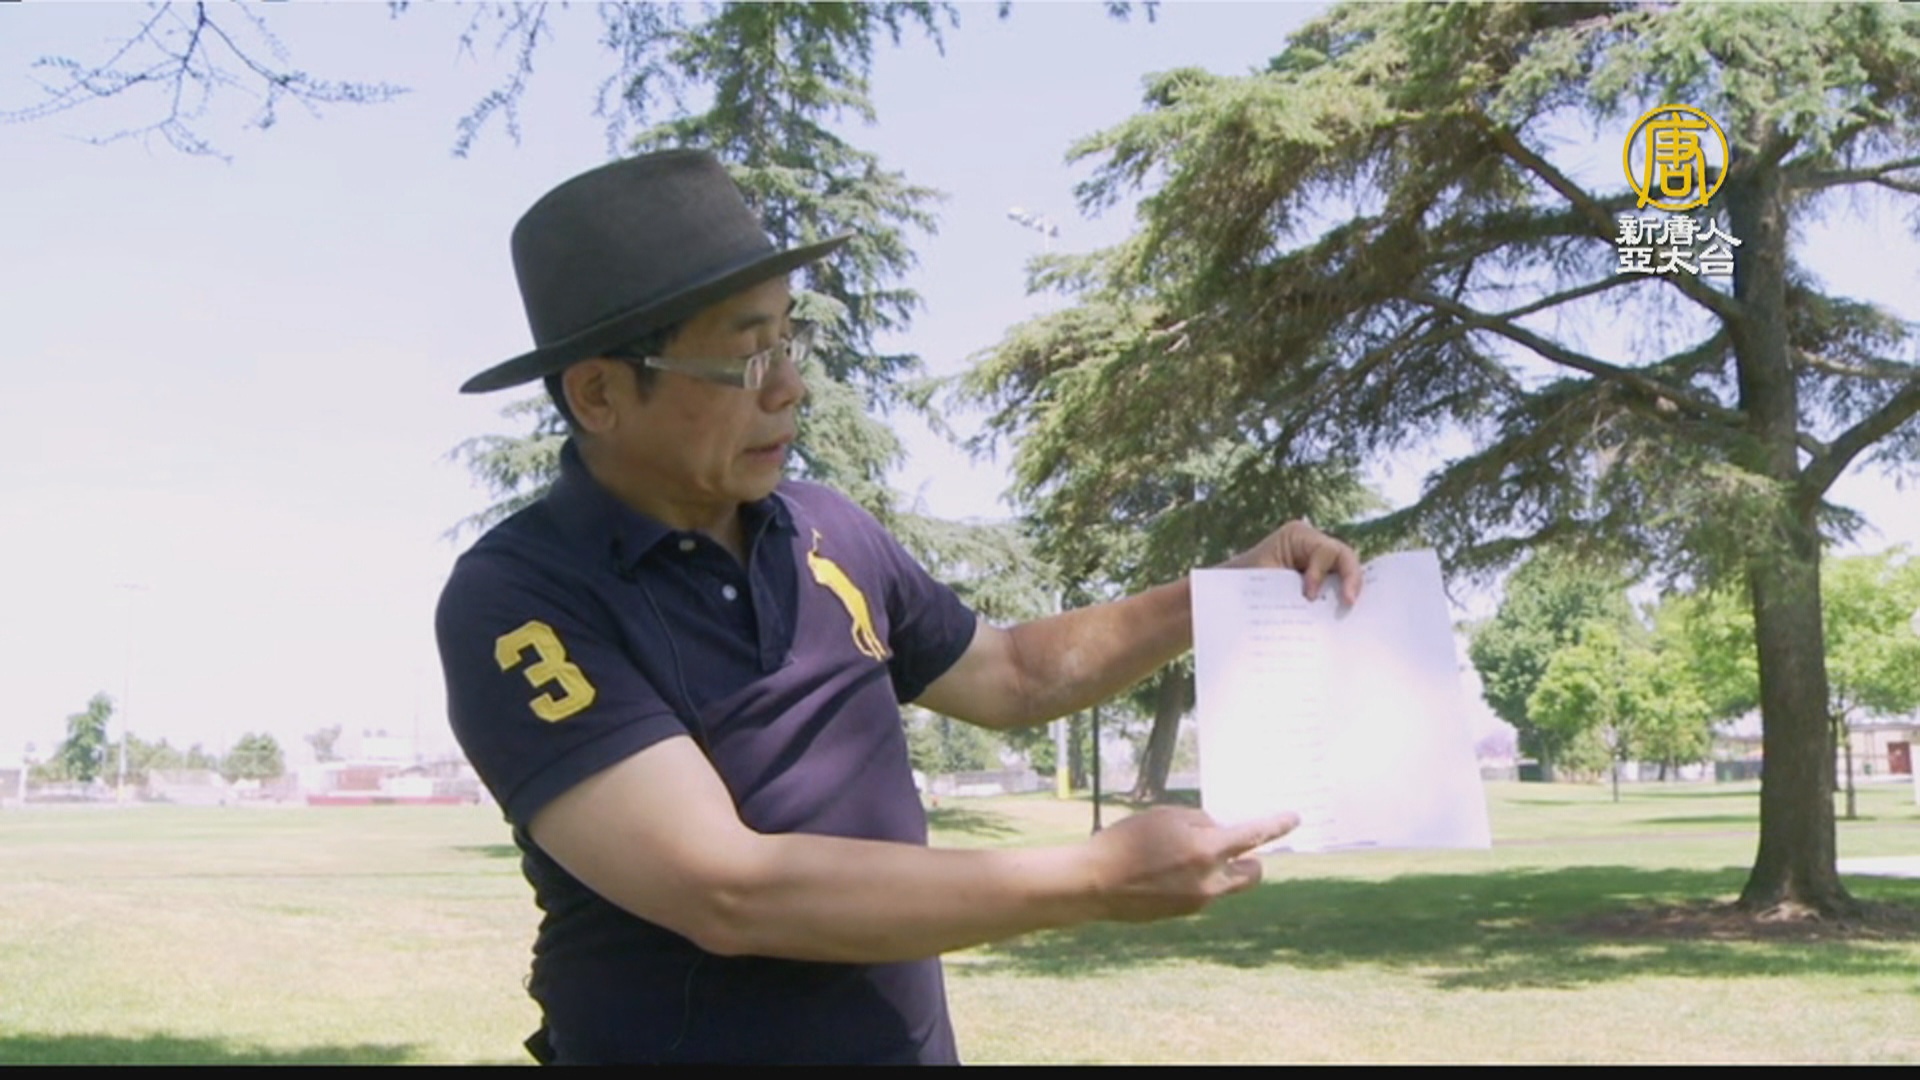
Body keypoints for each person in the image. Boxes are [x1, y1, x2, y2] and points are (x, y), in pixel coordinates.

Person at [435, 149, 1363, 1065]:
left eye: (788, 343)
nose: (790, 387)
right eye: (746, 357)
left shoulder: (825, 529)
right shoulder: (521, 601)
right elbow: (726, 889)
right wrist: (1092, 877)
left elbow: (1014, 674)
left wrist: (1226, 593)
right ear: (599, 392)